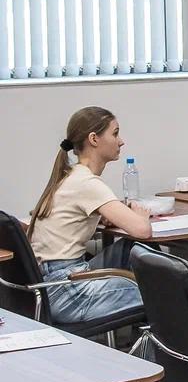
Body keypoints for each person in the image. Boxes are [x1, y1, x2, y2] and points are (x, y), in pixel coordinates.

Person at [27, 107, 154, 324]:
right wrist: (141, 216)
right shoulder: (86, 183)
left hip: (52, 281)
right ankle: (159, 355)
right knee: (164, 293)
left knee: (131, 250)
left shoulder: (71, 175)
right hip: (67, 292)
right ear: (94, 139)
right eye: (115, 134)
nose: (121, 141)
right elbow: (142, 230)